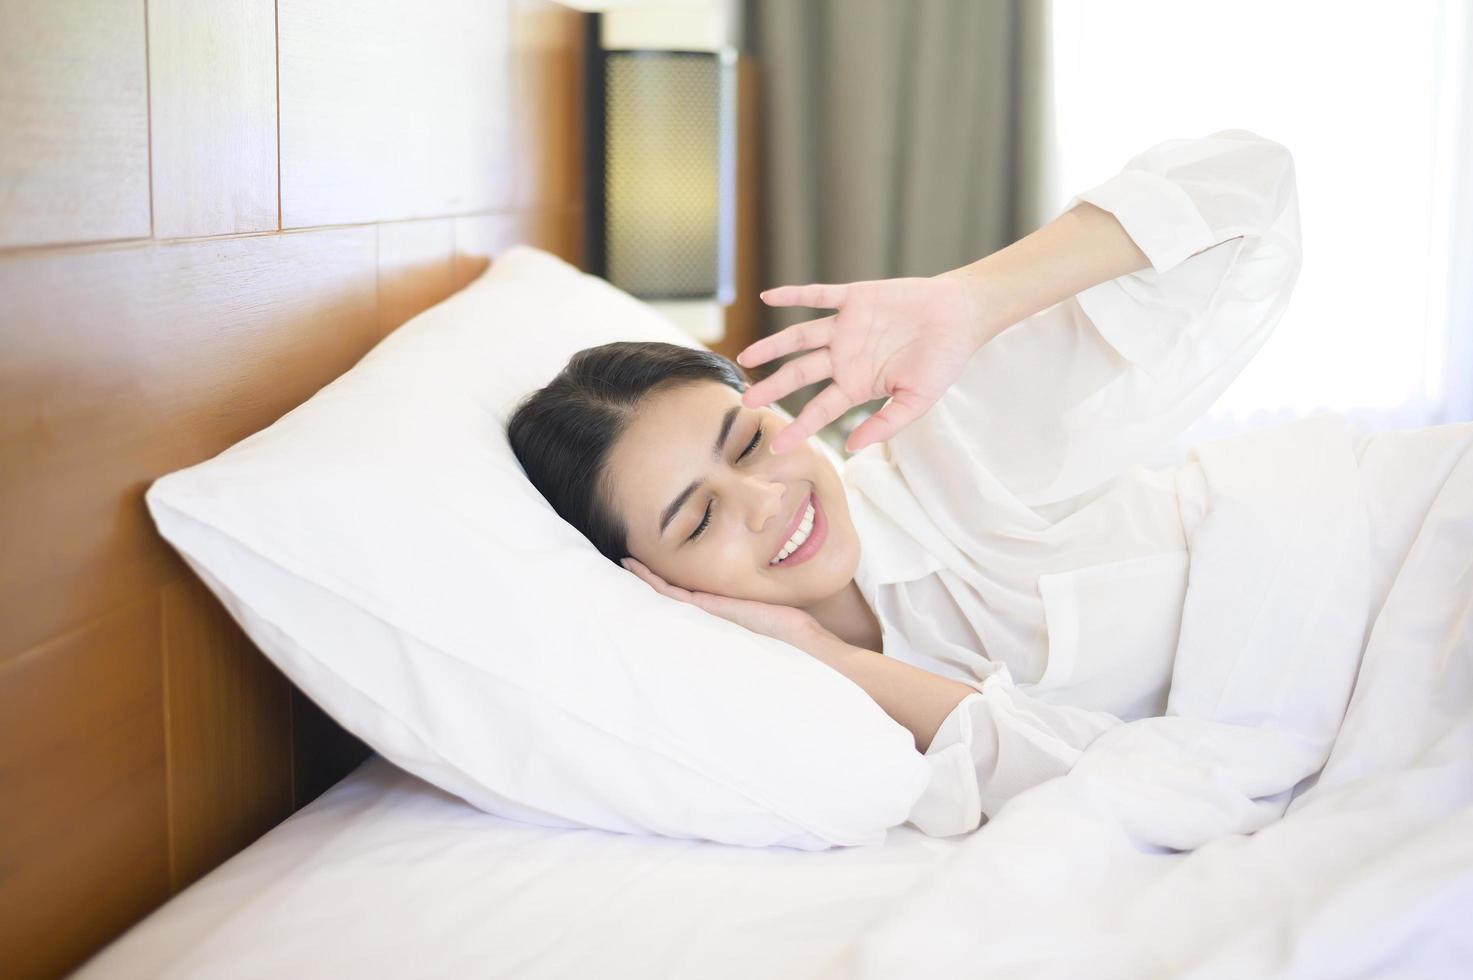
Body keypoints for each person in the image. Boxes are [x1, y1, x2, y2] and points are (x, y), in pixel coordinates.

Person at [509, 129, 1450, 835]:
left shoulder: (953, 455)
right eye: (699, 515)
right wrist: (832, 658)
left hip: (1419, 547)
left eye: (749, 441)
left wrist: (976, 297)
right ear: (655, 582)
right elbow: (1101, 781)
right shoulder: (818, 714)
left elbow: (1249, 188)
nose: (769, 500)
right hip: (1392, 723)